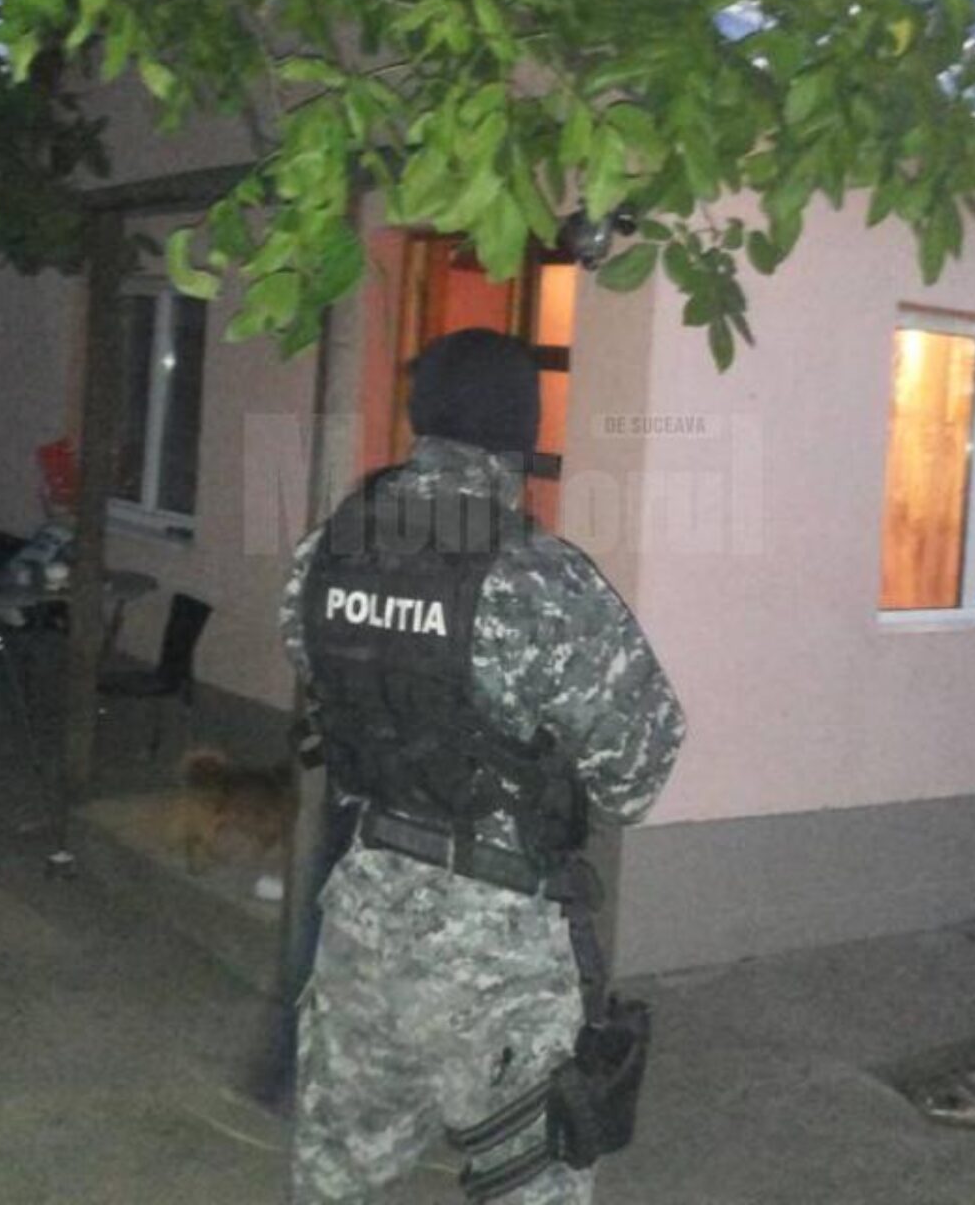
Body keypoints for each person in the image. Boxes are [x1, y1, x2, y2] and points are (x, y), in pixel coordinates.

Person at [278, 327, 686, 1205]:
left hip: (363, 922)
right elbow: (639, 773)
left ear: (420, 418)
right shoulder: (540, 578)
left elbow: (322, 676)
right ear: (520, 436)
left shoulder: (327, 551)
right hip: (500, 953)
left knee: (337, 1182)